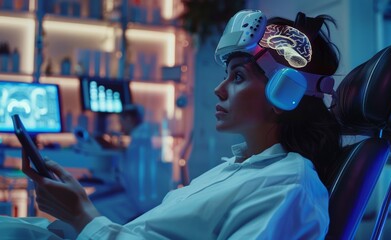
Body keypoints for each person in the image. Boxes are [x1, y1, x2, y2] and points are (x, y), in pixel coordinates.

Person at [2, 9, 342, 239]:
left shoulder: (289, 188)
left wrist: (85, 218)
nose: (218, 89)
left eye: (237, 77)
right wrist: (82, 214)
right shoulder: (240, 170)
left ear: (284, 93)